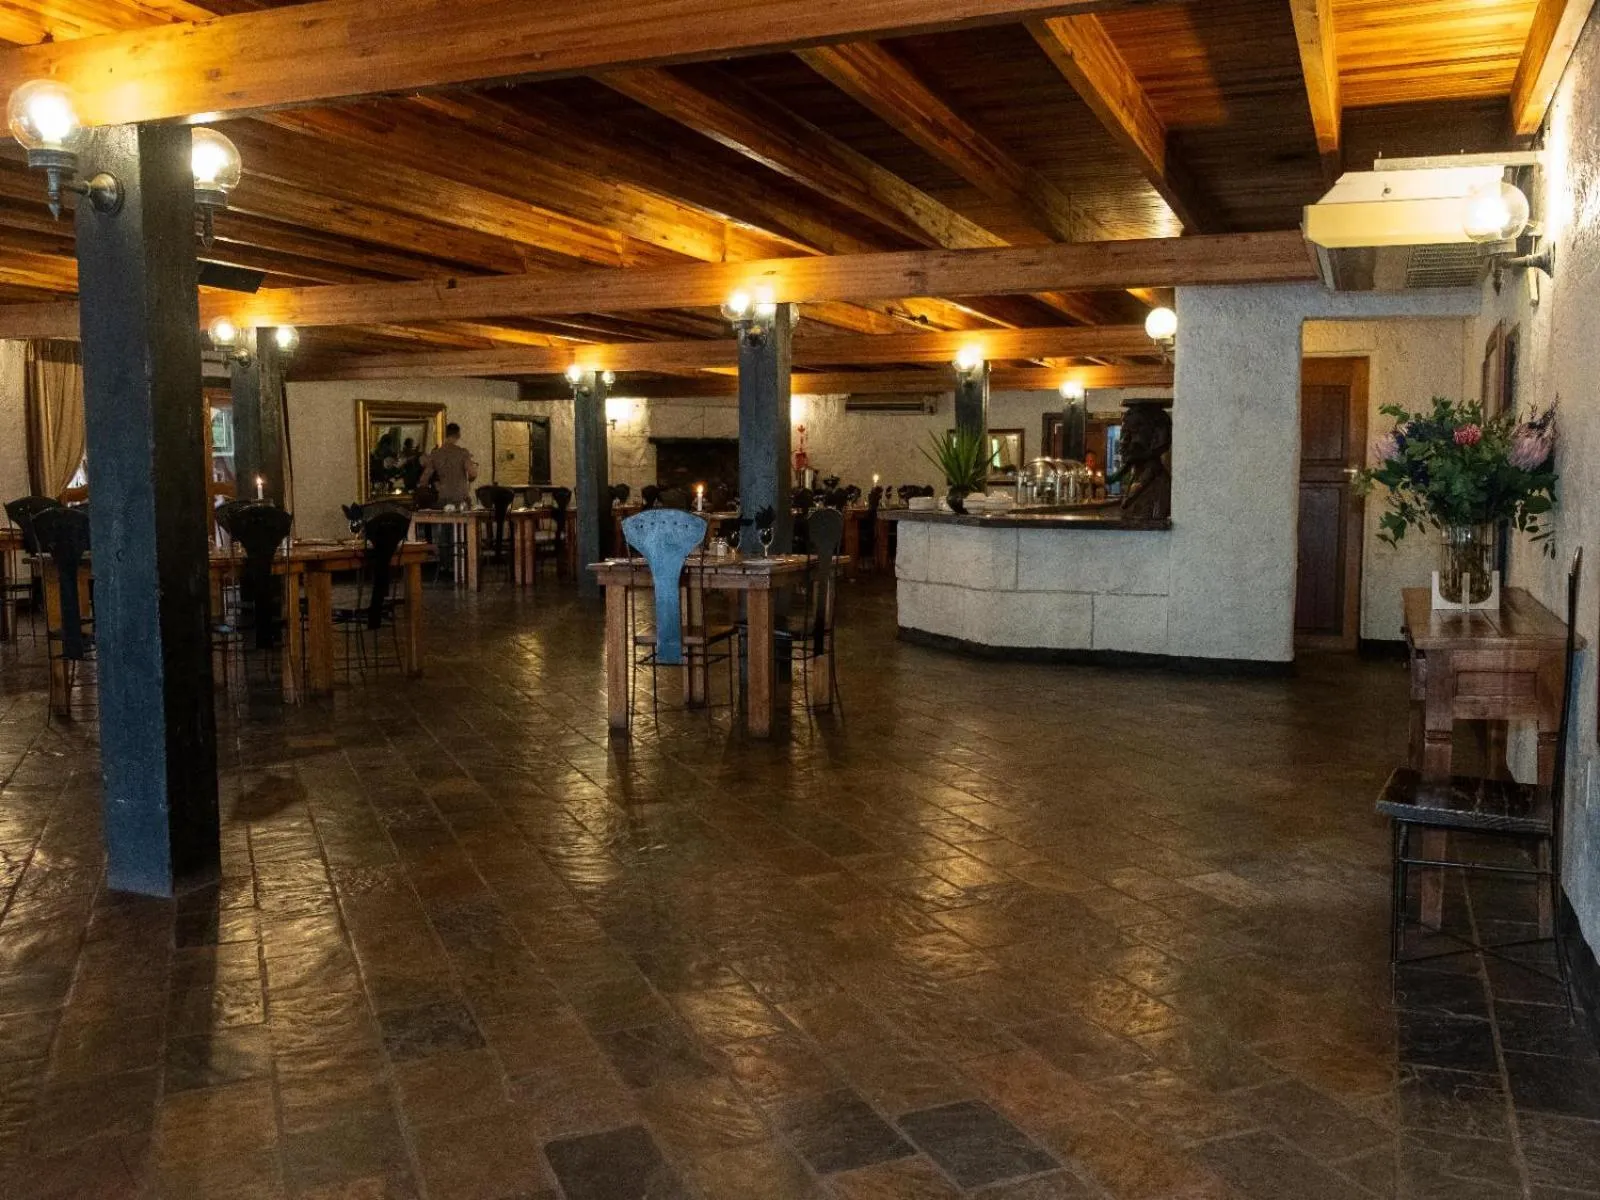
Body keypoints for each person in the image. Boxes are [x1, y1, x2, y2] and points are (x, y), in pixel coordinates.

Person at [418, 423, 478, 507]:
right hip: (460, 497)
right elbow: (472, 473)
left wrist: (435, 485)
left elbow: (424, 480)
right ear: (458, 435)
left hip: (443, 497)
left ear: (444, 434)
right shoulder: (463, 453)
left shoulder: (435, 454)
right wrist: (471, 479)